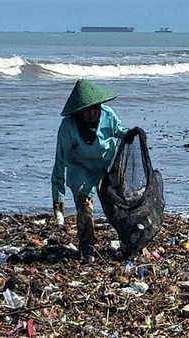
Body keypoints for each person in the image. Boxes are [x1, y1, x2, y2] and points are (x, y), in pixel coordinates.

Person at [51, 79, 140, 263]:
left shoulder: (108, 115)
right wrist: (58, 199)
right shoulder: (68, 127)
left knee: (118, 207)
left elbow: (118, 130)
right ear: (78, 111)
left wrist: (128, 134)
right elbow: (59, 161)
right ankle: (87, 248)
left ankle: (128, 244)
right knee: (84, 210)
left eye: (95, 108)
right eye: (87, 110)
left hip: (107, 166)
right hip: (80, 169)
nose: (92, 113)